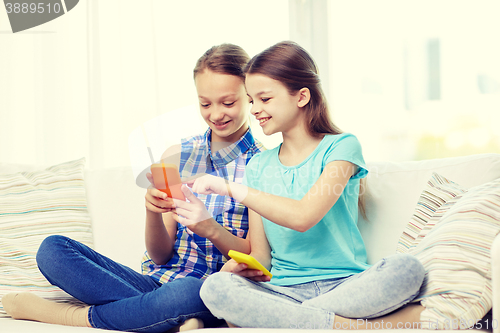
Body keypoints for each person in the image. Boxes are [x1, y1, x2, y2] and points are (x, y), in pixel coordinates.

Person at [1, 43, 264, 332]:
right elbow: (160, 256)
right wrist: (152, 211)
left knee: (187, 292)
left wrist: (210, 228)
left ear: (250, 98)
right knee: (52, 250)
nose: (216, 114)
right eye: (205, 103)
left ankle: (69, 316)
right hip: (153, 283)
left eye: (228, 103)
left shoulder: (263, 167)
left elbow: (256, 258)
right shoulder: (177, 155)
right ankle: (166, 317)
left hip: (211, 291)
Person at [184, 41, 426, 329]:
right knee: (215, 287)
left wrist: (229, 187)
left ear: (301, 97)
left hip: (345, 285)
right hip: (283, 290)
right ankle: (351, 326)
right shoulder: (258, 166)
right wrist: (242, 268)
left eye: (265, 99)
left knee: (407, 269)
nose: (256, 110)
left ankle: (294, 321)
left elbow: (303, 217)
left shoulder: (341, 148)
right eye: (251, 101)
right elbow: (261, 254)